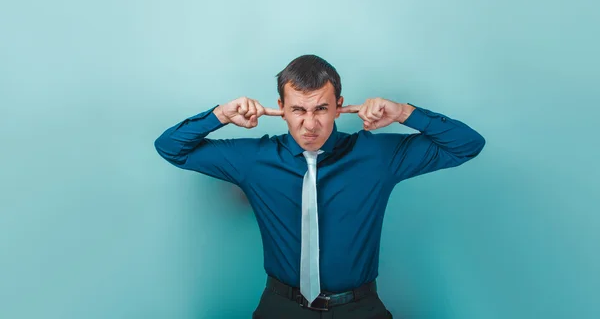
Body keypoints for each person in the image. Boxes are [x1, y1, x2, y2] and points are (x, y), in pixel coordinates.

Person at [154, 54, 485, 318]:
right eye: (298, 109)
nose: (310, 124)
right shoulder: (254, 159)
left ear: (339, 106)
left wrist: (403, 113)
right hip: (281, 307)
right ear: (280, 108)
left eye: (321, 109)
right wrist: (221, 115)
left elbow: (466, 144)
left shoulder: (376, 155)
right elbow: (171, 147)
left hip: (359, 308)